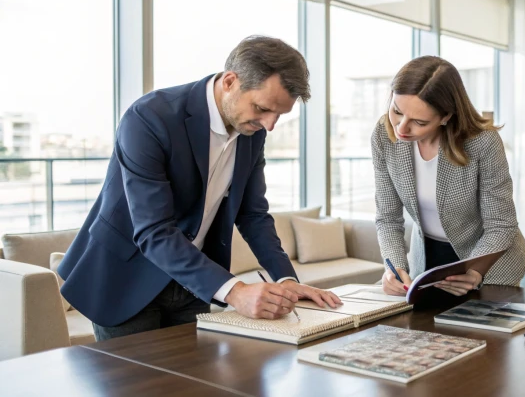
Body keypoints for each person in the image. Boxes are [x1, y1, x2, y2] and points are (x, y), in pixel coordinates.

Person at [59, 36, 341, 341]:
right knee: (139, 387)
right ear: (231, 81)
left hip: (195, 282)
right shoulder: (150, 117)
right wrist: (236, 291)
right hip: (125, 277)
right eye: (262, 108)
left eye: (279, 115)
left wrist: (285, 279)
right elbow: (154, 231)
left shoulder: (253, 129)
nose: (270, 124)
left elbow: (253, 214)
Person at [371, 56, 525, 297]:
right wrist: (395, 268)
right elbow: (388, 218)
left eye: (419, 121)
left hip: (488, 263)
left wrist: (475, 271)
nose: (401, 128)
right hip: (426, 261)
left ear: (446, 116)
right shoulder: (384, 135)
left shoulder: (482, 143)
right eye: (397, 111)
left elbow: (501, 224)